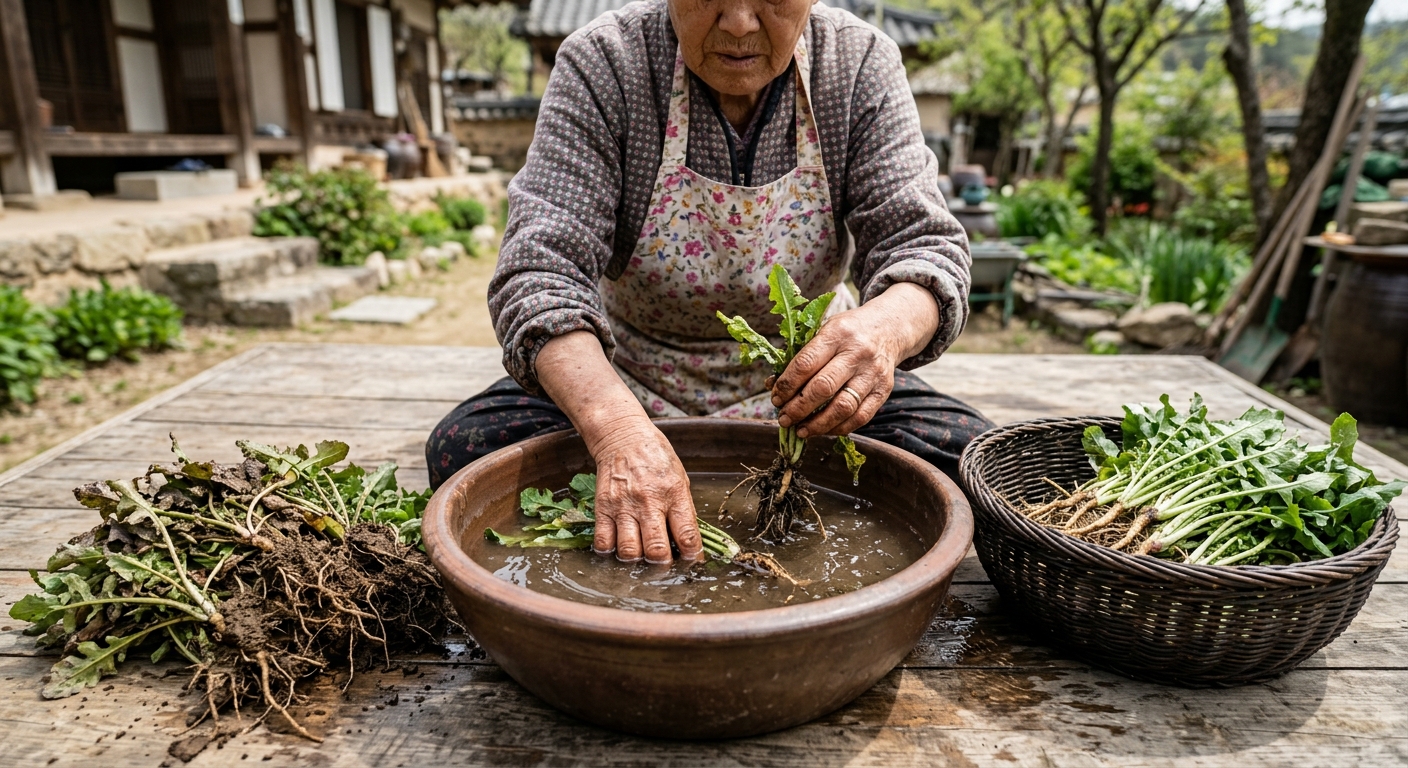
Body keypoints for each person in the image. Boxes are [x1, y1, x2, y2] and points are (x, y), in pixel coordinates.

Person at [427, 0, 993, 566]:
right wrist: (615, 432)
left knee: (975, 467)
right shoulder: (607, 63)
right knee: (465, 452)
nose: (739, 23)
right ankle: (636, 471)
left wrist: (882, 332)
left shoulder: (857, 64)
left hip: (814, 390)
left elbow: (925, 247)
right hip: (629, 377)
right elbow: (540, 271)